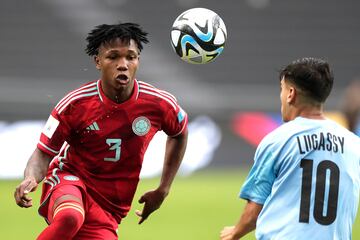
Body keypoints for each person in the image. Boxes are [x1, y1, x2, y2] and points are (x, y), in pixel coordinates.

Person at [14, 22, 188, 239]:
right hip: (70, 180)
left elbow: (179, 132)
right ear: (98, 61)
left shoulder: (159, 104)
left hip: (110, 206)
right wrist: (30, 178)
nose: (122, 64)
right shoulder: (75, 104)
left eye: (130, 57)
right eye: (113, 57)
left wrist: (163, 189)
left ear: (138, 61)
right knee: (70, 216)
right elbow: (44, 152)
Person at [220, 57, 360, 240]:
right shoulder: (353, 144)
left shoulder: (277, 141)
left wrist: (234, 233)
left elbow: (254, 210)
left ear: (291, 93)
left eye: (282, 89)